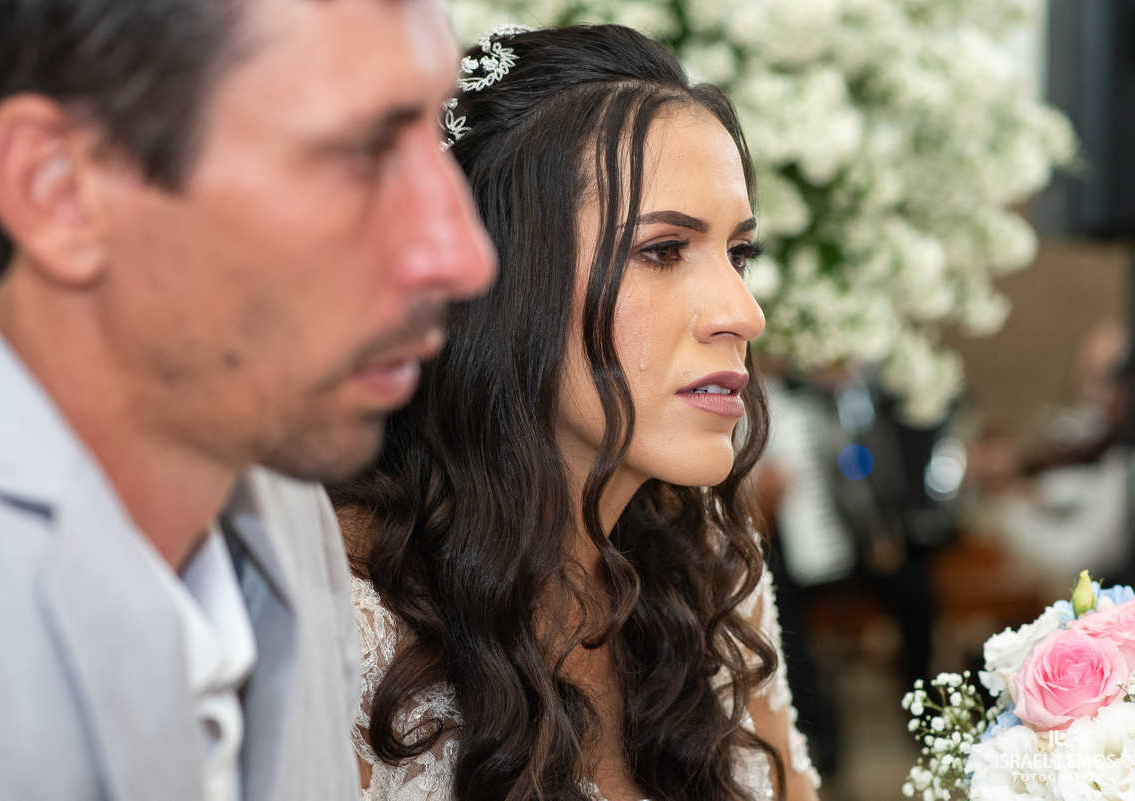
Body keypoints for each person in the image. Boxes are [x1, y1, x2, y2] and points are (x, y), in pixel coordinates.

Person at [0, 0, 494, 799]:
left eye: (433, 143)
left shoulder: (282, 507)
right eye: (364, 153)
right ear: (58, 186)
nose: (464, 256)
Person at [331, 25, 820, 801]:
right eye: (664, 251)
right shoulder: (341, 626)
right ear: (497, 276)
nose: (744, 312)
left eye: (740, 254)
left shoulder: (710, 573)